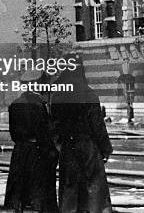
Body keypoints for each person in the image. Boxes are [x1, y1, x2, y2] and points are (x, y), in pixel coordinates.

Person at [51, 54, 113, 213]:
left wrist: (59, 146)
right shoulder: (89, 94)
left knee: (70, 189)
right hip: (89, 147)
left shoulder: (58, 94)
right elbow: (98, 125)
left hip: (68, 148)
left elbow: (54, 125)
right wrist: (106, 148)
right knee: (93, 189)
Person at [4, 70, 58, 213]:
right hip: (37, 153)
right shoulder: (39, 105)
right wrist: (51, 152)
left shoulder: (14, 104)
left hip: (19, 152)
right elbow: (44, 133)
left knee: (18, 192)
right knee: (37, 194)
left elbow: (13, 133)